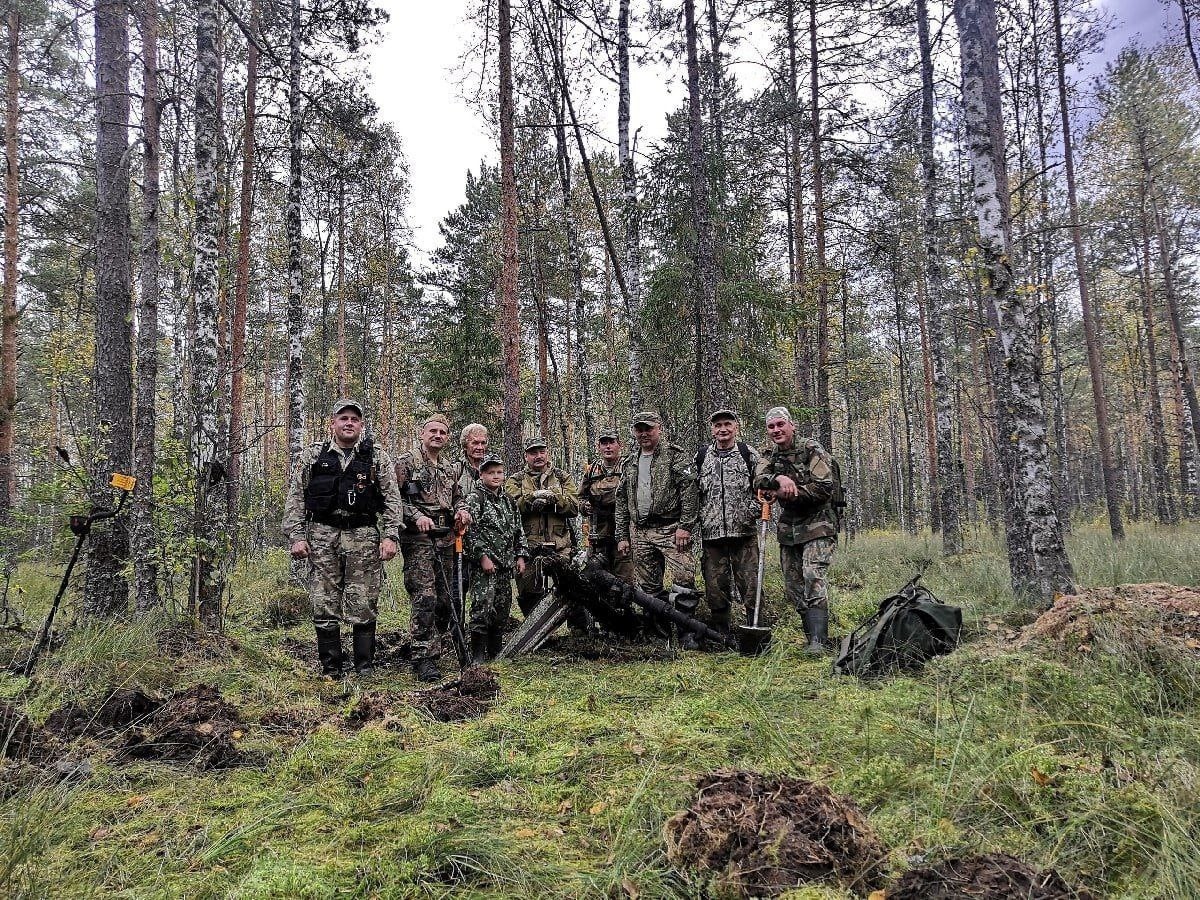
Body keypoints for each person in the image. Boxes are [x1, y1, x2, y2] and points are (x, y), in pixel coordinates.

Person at [282, 399, 402, 677]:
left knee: (364, 600)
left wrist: (391, 536)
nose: (349, 423)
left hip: (363, 536)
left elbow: (392, 499)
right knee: (323, 601)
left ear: (361, 425)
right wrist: (296, 536)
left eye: (354, 419)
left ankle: (364, 666)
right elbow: (296, 497)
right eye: (343, 418)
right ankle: (331, 667)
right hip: (322, 536)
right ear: (333, 423)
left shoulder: (376, 457)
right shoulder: (314, 455)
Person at [753, 405, 838, 653]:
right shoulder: (769, 454)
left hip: (819, 523)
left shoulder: (811, 449)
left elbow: (825, 487)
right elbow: (758, 479)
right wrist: (778, 479)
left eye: (781, 424)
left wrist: (792, 492)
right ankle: (810, 635)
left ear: (792, 425)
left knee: (813, 575)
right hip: (789, 528)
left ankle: (818, 641)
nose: (776, 430)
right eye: (771, 426)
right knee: (793, 586)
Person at [613, 411, 700, 647]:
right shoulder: (630, 462)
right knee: (648, 587)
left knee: (683, 579)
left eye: (648, 429)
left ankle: (686, 633)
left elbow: (690, 492)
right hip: (640, 532)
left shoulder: (675, 456)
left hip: (671, 529)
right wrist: (622, 536)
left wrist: (685, 526)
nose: (644, 434)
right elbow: (621, 501)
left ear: (658, 428)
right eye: (639, 429)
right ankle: (658, 634)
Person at [395, 414, 471, 682]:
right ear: (422, 434)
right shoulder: (406, 463)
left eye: (443, 432)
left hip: (446, 538)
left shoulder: (449, 467)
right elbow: (393, 500)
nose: (438, 435)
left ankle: (434, 642)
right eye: (433, 431)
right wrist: (416, 516)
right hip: (418, 539)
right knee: (424, 596)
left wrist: (462, 511)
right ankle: (423, 656)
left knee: (444, 598)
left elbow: (458, 497)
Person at [696, 409, 762, 637]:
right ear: (712, 429)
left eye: (727, 424)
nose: (723, 429)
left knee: (751, 585)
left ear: (736, 427)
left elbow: (762, 488)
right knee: (715, 588)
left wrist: (750, 512)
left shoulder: (748, 454)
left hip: (744, 534)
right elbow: (692, 493)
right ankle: (721, 635)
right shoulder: (701, 457)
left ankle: (755, 632)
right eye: (718, 425)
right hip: (712, 536)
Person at [505, 436, 580, 616]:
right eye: (533, 453)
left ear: (547, 453)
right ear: (526, 456)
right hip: (529, 547)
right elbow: (510, 506)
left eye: (541, 451)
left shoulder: (562, 477)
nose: (538, 456)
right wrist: (531, 500)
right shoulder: (516, 480)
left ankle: (578, 629)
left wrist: (555, 499)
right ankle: (534, 628)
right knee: (528, 594)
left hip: (560, 547)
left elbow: (574, 507)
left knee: (573, 590)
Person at [464, 454, 528, 662]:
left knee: (501, 610)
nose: (496, 476)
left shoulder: (508, 500)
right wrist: (482, 557)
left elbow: (518, 530)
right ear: (481, 474)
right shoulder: (475, 499)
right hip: (484, 567)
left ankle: (495, 652)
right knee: (482, 608)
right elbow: (469, 532)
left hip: (505, 566)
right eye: (491, 472)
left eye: (499, 472)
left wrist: (520, 556)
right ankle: (477, 654)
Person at [578, 430, 633, 583]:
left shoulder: (628, 467)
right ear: (599, 447)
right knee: (598, 578)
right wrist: (585, 507)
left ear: (619, 445)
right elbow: (580, 497)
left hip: (624, 534)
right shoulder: (592, 470)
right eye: (604, 443)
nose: (608, 447)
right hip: (598, 535)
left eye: (611, 442)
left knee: (625, 580)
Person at [455, 423, 489, 498]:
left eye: (483, 443)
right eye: (475, 443)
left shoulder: (491, 469)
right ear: (465, 446)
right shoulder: (456, 470)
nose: (480, 447)